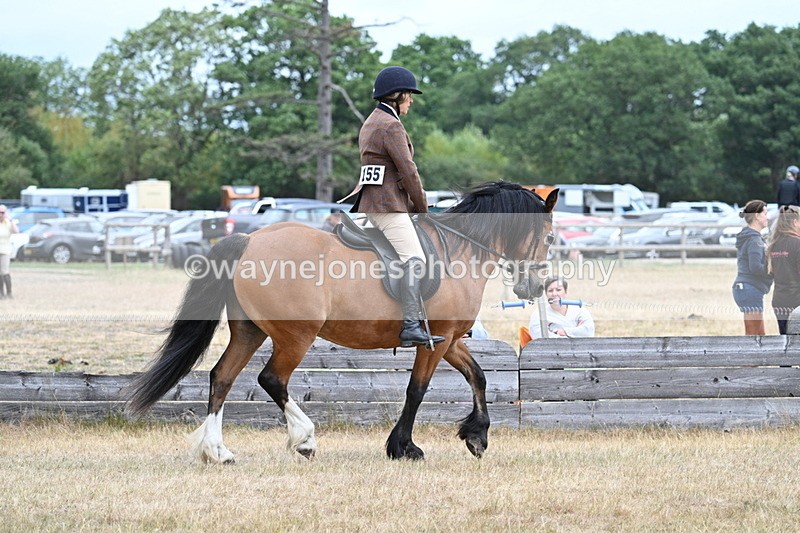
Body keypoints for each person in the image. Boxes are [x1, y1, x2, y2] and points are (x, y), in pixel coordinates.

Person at [340, 66, 444, 348]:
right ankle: (410, 324)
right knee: (415, 258)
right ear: (397, 96)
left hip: (371, 203)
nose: (411, 101)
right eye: (409, 95)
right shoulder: (391, 126)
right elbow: (409, 172)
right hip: (387, 207)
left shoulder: (372, 121)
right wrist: (422, 206)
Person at [732, 200, 772, 335]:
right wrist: (773, 270)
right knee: (753, 336)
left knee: (760, 336)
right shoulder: (754, 239)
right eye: (765, 213)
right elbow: (755, 267)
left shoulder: (752, 237)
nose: (768, 217)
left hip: (749, 289)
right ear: (757, 216)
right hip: (750, 289)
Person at [767, 205, 800, 334]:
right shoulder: (797, 244)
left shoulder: (774, 245)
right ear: (795, 222)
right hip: (797, 301)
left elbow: (769, 272)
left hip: (780, 301)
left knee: (785, 341)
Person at [528, 277, 595, 338]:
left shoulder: (580, 310)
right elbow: (539, 337)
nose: (554, 294)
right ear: (546, 294)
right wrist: (576, 332)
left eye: (558, 290)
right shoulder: (539, 314)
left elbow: (588, 330)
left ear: (565, 292)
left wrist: (565, 331)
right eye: (550, 291)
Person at [0, 205, 20, 299]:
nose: (0, 214)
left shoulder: (8, 223)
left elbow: (16, 231)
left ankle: (9, 293)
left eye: (2, 213)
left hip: (5, 250)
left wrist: (11, 220)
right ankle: (1, 294)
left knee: (4, 271)